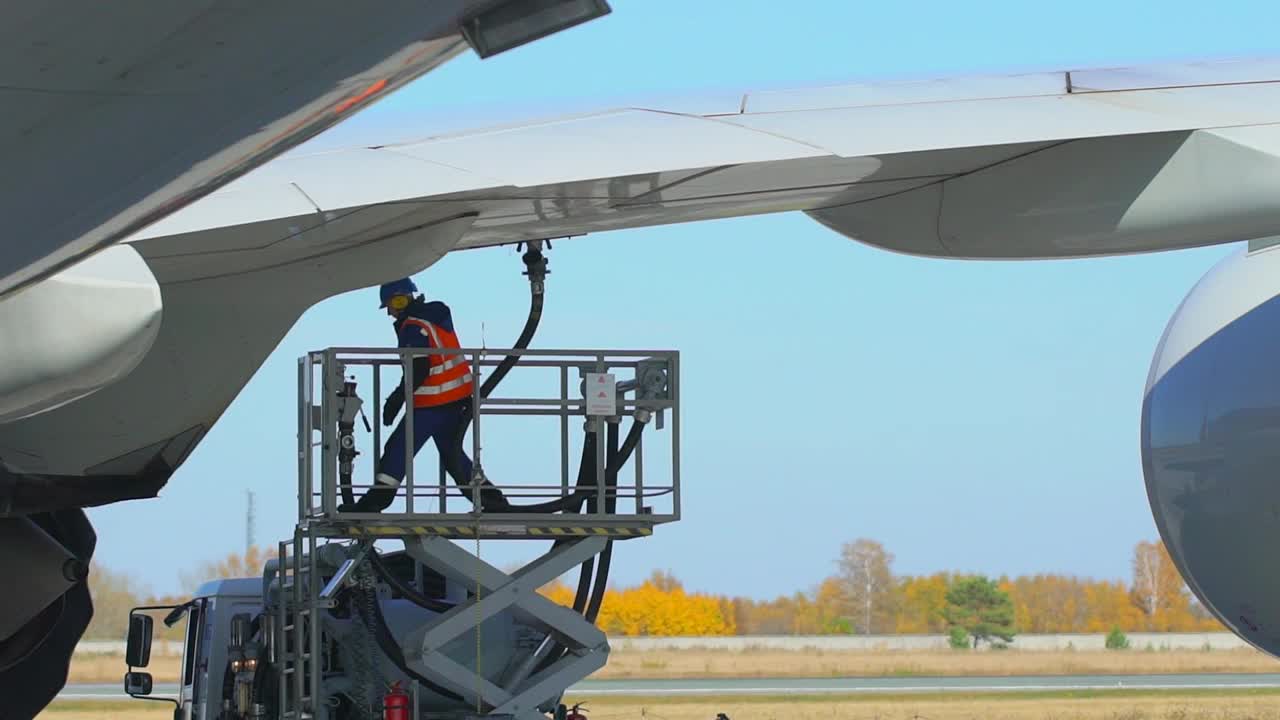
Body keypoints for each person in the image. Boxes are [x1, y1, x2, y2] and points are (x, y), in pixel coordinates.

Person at [339, 278, 508, 513]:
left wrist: (396, 399)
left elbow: (419, 369)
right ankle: (495, 502)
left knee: (398, 449)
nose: (389, 312)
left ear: (400, 300)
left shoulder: (413, 327)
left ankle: (376, 501)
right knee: (453, 457)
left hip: (433, 403)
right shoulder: (433, 318)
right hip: (456, 400)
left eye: (391, 305)